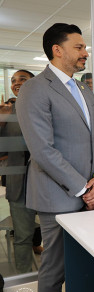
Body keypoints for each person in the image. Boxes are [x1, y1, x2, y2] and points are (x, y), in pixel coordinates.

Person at [16, 23, 94, 292]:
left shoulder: (84, 89)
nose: (85, 53)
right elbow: (42, 150)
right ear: (57, 50)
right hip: (57, 197)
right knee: (54, 273)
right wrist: (83, 188)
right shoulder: (34, 89)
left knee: (88, 267)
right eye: (79, 47)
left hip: (92, 193)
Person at [0, 70, 43, 274]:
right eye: (13, 81)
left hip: (47, 183)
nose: (16, 83)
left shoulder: (45, 106)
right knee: (22, 236)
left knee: (55, 235)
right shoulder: (8, 111)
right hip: (19, 183)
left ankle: (54, 279)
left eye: (22, 79)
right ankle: (24, 279)